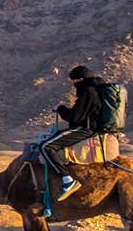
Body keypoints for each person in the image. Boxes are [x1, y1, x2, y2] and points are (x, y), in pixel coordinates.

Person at [41, 65, 105, 201]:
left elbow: (75, 117)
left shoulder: (88, 92)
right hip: (88, 129)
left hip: (83, 130)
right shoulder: (94, 91)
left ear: (81, 79)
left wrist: (61, 109)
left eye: (76, 81)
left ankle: (67, 180)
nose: (75, 85)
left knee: (45, 147)